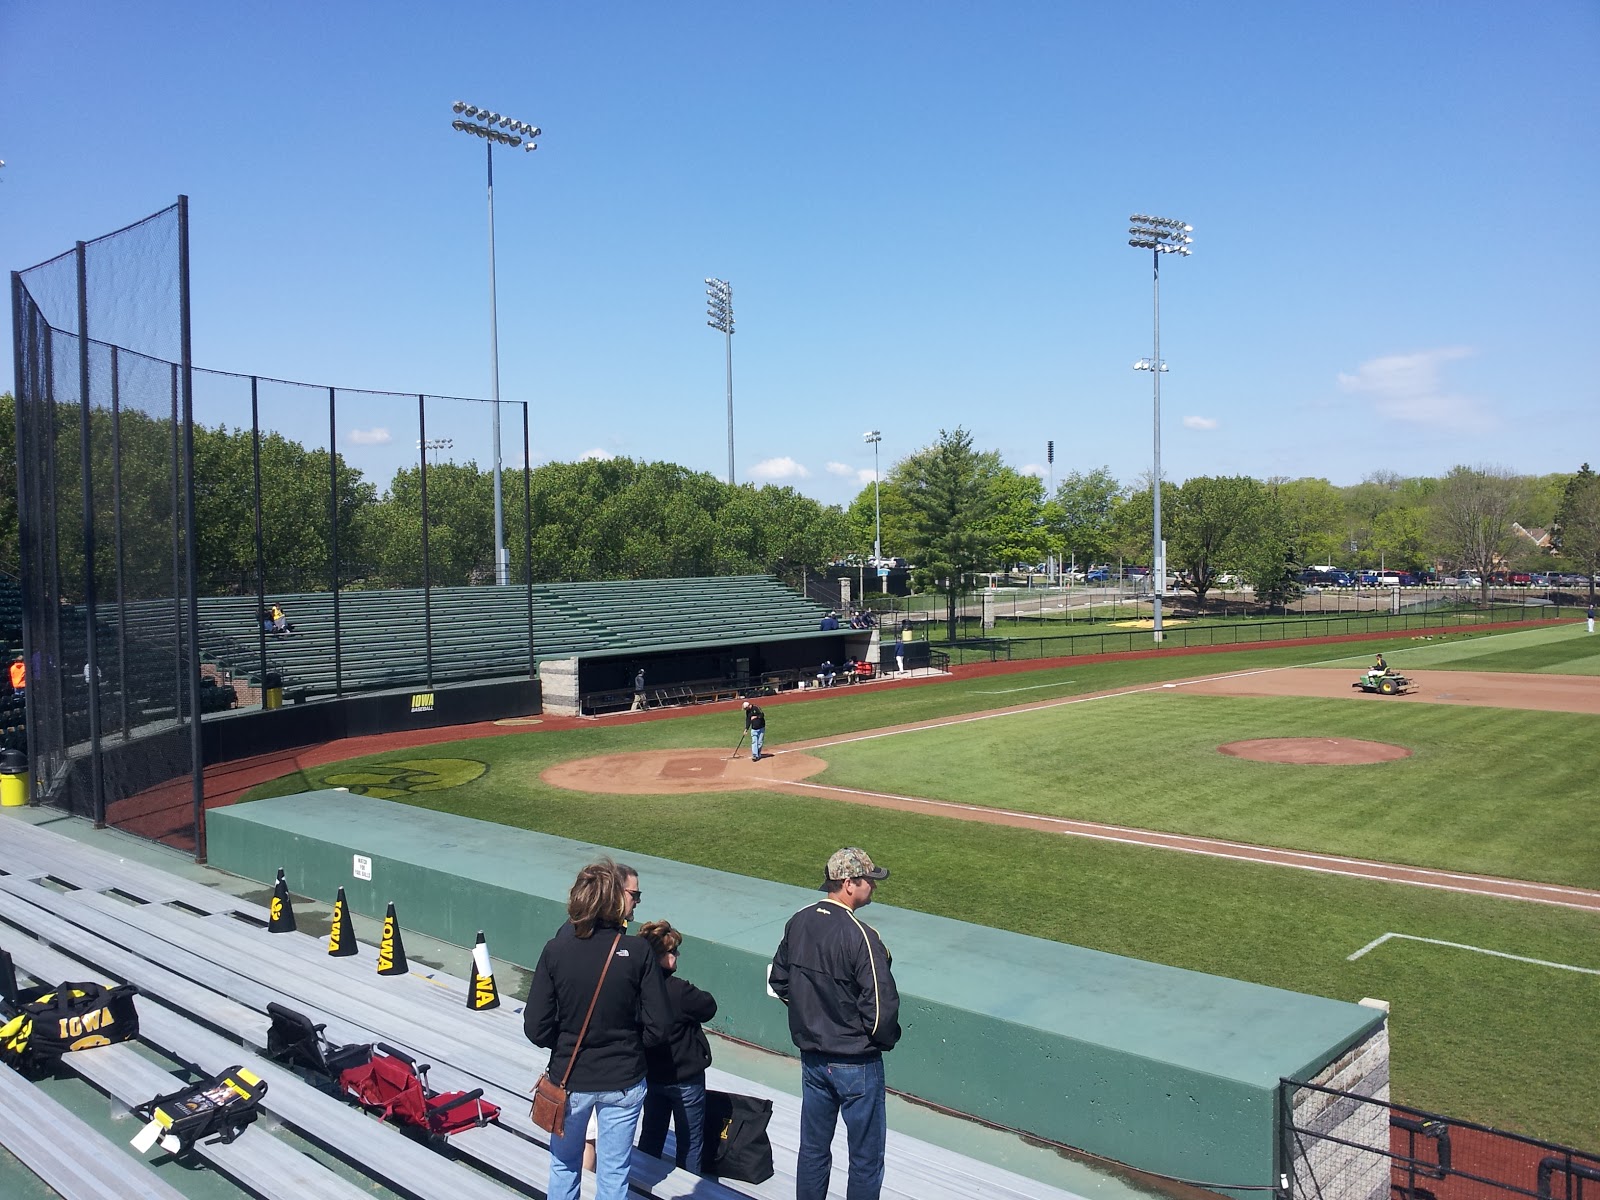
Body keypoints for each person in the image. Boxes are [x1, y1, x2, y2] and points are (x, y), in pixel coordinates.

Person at [525, 859, 669, 1200]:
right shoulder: (637, 952)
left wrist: (565, 1043)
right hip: (623, 1080)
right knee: (613, 1173)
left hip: (570, 1079)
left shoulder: (556, 949)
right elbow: (659, 1026)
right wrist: (629, 1046)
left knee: (563, 1165)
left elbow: (536, 1027)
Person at [769, 848, 901, 1200]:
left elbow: (779, 982)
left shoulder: (799, 920)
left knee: (813, 1150)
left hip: (813, 1060)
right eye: (868, 880)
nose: (873, 886)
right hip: (857, 1063)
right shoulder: (862, 936)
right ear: (848, 883)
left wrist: (813, 1017)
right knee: (866, 1158)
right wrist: (875, 1041)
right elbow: (880, 1010)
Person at [636, 920, 717, 1173]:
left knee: (650, 1136)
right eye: (672, 952)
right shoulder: (679, 990)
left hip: (652, 1076)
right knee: (691, 1144)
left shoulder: (636, 987)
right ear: (660, 956)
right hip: (685, 1080)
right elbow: (709, 1007)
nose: (676, 955)